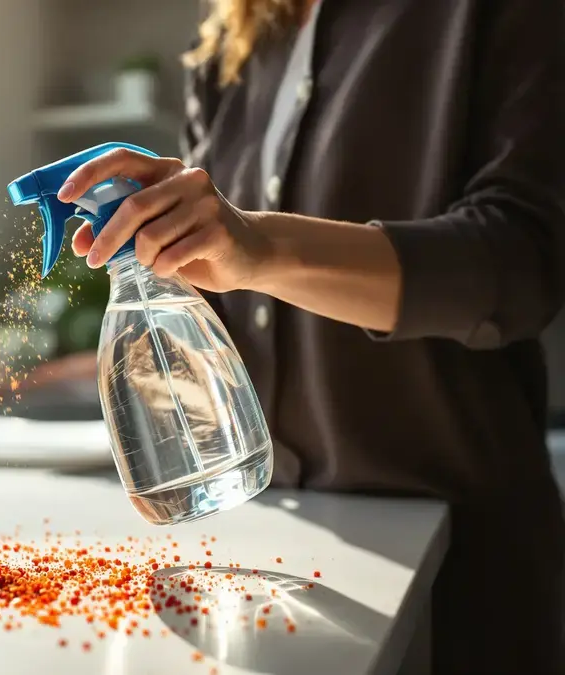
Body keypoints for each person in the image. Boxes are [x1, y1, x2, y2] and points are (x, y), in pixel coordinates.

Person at [61, 0, 565, 672]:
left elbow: (521, 264)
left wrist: (261, 244)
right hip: (285, 563)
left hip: (460, 571)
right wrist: (172, 247)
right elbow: (239, 314)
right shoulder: (229, 45)